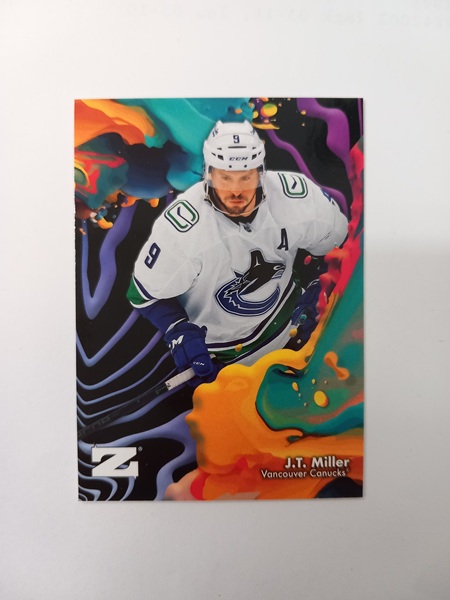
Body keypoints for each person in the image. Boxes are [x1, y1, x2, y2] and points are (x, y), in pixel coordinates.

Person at [127, 120, 348, 386]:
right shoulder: (181, 230)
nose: (236, 192)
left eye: (246, 177)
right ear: (209, 174)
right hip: (228, 362)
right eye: (225, 178)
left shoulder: (296, 198)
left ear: (261, 173)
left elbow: (342, 245)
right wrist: (177, 329)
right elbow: (143, 295)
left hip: (299, 329)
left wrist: (323, 283)